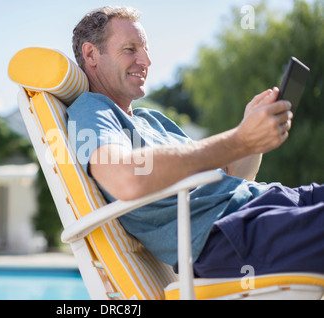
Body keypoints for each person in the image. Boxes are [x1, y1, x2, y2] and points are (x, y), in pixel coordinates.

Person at [67, 6, 324, 278]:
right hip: (229, 235)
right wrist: (239, 139)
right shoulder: (91, 110)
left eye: (145, 49)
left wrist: (251, 134)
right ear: (91, 55)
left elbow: (234, 175)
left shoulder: (151, 119)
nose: (146, 60)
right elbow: (125, 178)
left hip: (269, 202)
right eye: (131, 49)